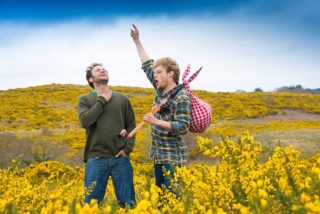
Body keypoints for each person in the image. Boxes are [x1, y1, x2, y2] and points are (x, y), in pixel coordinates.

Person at [130, 24, 191, 192]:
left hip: (172, 157)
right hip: (158, 156)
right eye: (154, 73)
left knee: (173, 201)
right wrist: (137, 41)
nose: (154, 75)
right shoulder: (160, 90)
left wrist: (155, 121)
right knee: (162, 201)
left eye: (158, 72)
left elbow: (182, 127)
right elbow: (147, 65)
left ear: (170, 74)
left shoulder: (182, 96)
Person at [77, 62, 136, 207]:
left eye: (104, 69)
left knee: (128, 204)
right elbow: (85, 121)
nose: (103, 70)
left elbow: (131, 126)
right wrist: (102, 100)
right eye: (98, 70)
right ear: (91, 79)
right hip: (96, 158)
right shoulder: (85, 99)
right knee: (91, 205)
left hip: (120, 158)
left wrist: (127, 149)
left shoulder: (122, 99)